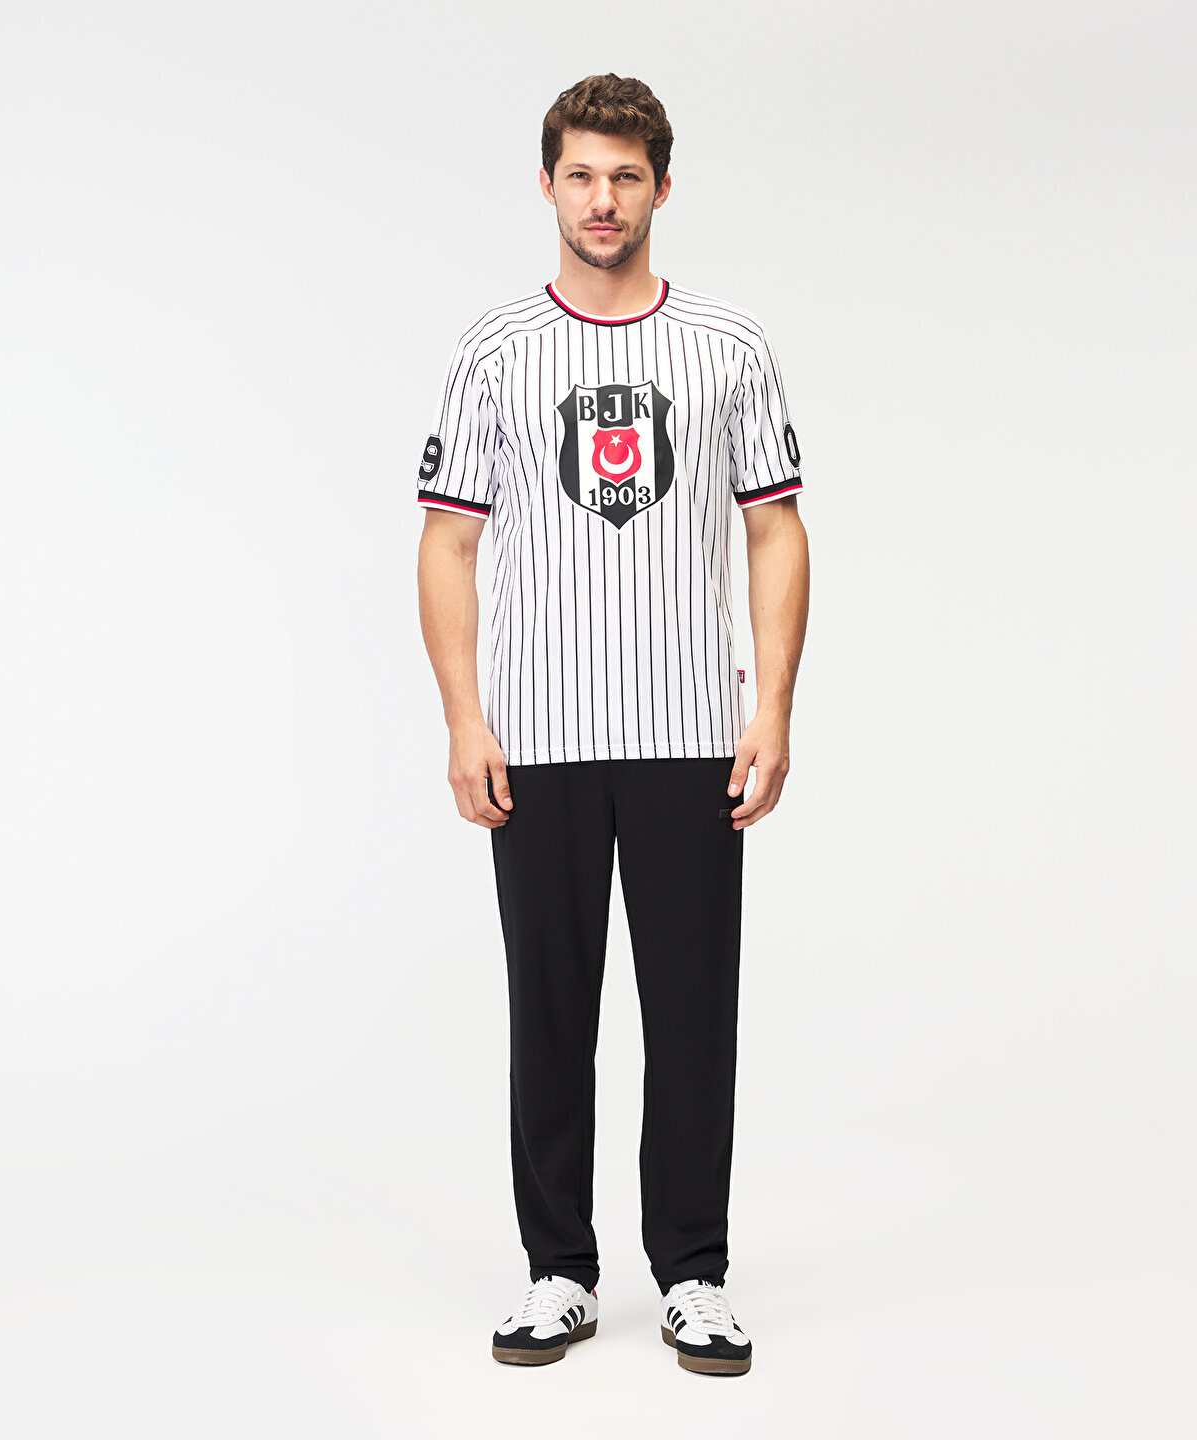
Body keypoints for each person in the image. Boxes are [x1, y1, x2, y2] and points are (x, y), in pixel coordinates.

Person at [415, 72, 810, 1377]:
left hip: (690, 727)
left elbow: (776, 528)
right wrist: (465, 719)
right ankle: (559, 1271)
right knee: (551, 1010)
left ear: (662, 188)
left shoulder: (728, 345)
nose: (602, 199)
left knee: (693, 1010)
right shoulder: (495, 350)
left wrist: (773, 707)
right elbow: (448, 541)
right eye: (581, 175)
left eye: (625, 177)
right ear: (547, 185)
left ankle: (694, 1273)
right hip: (537, 733)